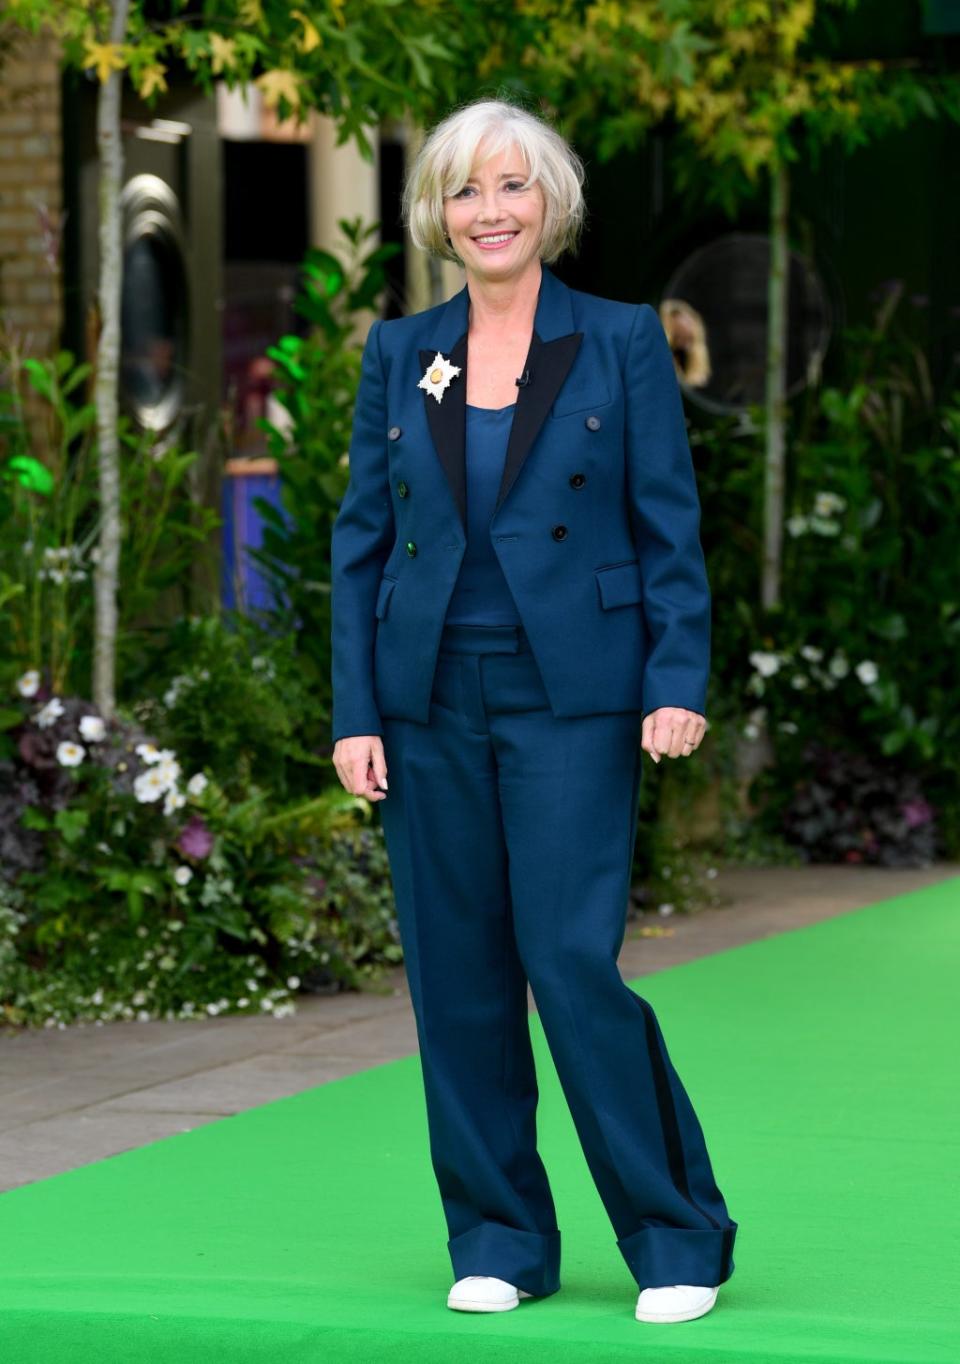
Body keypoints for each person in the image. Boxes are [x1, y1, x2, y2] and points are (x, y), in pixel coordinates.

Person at [330, 96, 738, 1326]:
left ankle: (678, 1234)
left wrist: (676, 681)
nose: (489, 210)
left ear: (550, 204)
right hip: (428, 697)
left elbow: (671, 526)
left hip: (576, 696)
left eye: (511, 186)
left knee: (567, 957)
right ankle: (499, 1231)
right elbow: (360, 544)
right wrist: (356, 709)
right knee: (455, 972)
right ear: (436, 215)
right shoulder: (401, 352)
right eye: (464, 190)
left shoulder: (619, 340)